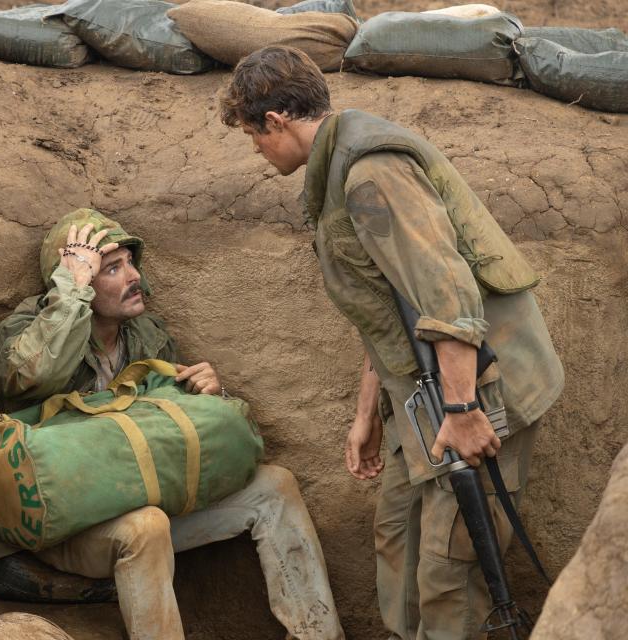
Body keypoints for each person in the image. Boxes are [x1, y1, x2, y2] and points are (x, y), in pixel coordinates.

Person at [219, 46, 564, 640]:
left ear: (276, 121)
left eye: (254, 136)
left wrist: (461, 411)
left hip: (478, 391)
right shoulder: (337, 171)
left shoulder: (370, 172)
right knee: (399, 536)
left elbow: (446, 298)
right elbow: (389, 308)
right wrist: (367, 416)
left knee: (450, 568)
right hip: (421, 396)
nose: (256, 151)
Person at [0, 208, 344, 640]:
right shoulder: (27, 329)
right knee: (146, 526)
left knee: (275, 486)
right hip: (66, 526)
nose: (133, 276)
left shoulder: (145, 335)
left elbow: (169, 433)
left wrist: (207, 397)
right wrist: (72, 290)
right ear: (74, 277)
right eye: (112, 268)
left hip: (142, 496)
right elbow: (31, 376)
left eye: (130, 263)